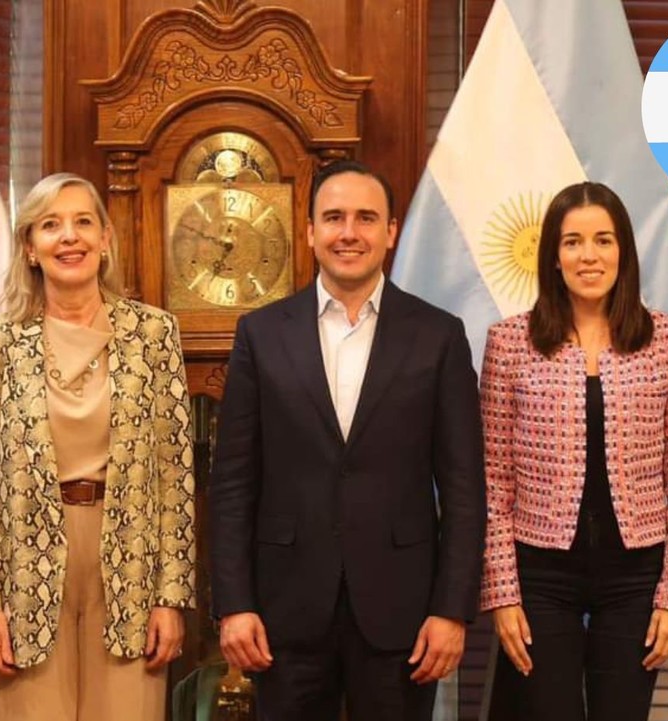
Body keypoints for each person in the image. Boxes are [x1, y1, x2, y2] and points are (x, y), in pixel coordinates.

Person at [208, 159, 486, 721]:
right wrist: (234, 605)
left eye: (366, 218)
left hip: (404, 616)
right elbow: (233, 483)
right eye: (333, 218)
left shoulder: (438, 336)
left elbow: (463, 488)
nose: (349, 232)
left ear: (391, 232)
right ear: (309, 232)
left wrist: (451, 610)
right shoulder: (260, 335)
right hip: (283, 612)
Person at [0, 172, 196, 720]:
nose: (70, 237)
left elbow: (177, 475)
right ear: (30, 248)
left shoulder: (154, 335)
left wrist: (171, 596)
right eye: (51, 225)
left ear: (106, 239)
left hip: (131, 567)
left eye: (84, 222)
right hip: (25, 574)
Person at [479, 181, 668, 721]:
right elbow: (493, 480)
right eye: (572, 242)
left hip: (636, 573)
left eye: (603, 240)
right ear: (553, 258)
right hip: (540, 573)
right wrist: (503, 594)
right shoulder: (511, 342)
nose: (589, 256)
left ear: (623, 250)